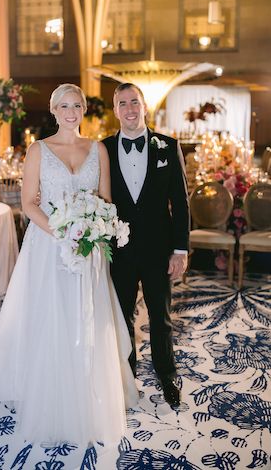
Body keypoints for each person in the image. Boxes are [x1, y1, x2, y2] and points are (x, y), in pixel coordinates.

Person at [0, 83, 138, 445]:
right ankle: (50, 392)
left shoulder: (98, 149)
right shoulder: (38, 151)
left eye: (77, 106)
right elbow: (28, 204)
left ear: (84, 110)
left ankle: (89, 391)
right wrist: (63, 231)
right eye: (64, 106)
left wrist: (97, 228)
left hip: (90, 249)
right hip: (51, 246)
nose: (71, 112)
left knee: (87, 318)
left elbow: (105, 199)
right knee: (52, 317)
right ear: (53, 111)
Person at [102, 82, 189, 408]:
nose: (129, 108)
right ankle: (126, 375)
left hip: (158, 250)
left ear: (144, 106)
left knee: (161, 317)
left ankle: (167, 374)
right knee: (121, 315)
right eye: (122, 103)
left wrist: (180, 249)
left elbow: (180, 203)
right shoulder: (104, 149)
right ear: (115, 110)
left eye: (134, 102)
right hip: (118, 251)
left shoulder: (168, 146)